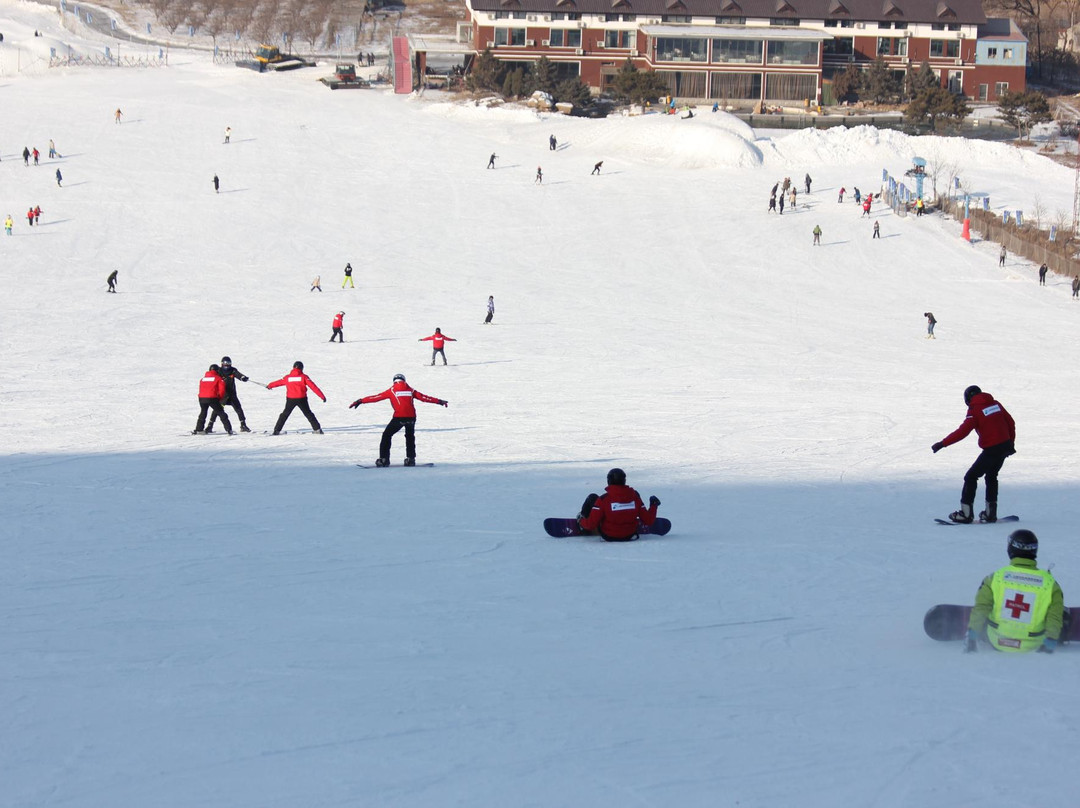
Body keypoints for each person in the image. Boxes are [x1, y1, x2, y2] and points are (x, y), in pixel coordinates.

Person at [964, 529, 1064, 654]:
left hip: (996, 640)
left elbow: (982, 607)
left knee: (988, 608)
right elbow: (1054, 617)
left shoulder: (996, 578)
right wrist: (1050, 641)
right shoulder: (1050, 584)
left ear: (1010, 549)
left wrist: (972, 635)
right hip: (1032, 644)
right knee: (1055, 609)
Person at [932, 385, 1016, 524]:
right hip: (1005, 446)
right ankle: (990, 513)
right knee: (991, 476)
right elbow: (1010, 422)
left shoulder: (975, 409)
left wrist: (942, 443)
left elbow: (963, 431)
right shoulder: (996, 404)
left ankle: (966, 514)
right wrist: (1010, 443)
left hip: (992, 449)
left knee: (971, 477)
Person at [349, 373, 447, 466]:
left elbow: (376, 397)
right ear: (404, 380)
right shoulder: (411, 390)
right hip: (412, 417)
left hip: (399, 417)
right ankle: (411, 459)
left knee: (387, 435)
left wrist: (360, 401)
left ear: (394, 381)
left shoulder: (392, 390)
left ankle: (384, 459)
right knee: (410, 437)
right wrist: (439, 401)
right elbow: (424, 397)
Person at [577, 468, 661, 542]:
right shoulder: (635, 497)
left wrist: (581, 522)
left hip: (609, 535)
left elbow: (591, 525)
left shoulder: (603, 499)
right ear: (624, 481)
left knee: (592, 497)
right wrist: (653, 506)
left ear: (609, 481)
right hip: (629, 535)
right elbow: (649, 521)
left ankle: (582, 521)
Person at [266, 361, 326, 435]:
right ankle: (317, 429)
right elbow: (313, 387)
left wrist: (269, 385)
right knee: (308, 414)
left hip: (290, 399)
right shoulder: (304, 377)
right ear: (301, 368)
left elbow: (279, 382)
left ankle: (276, 430)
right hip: (302, 399)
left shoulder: (288, 377)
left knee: (284, 414)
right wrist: (322, 396)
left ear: (293, 367)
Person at [206, 356, 252, 433]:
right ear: (222, 364)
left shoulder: (233, 370)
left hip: (232, 395)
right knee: (217, 410)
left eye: (228, 363)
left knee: (239, 409)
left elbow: (238, 375)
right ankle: (210, 426)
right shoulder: (219, 371)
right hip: (222, 396)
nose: (227, 365)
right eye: (225, 363)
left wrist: (243, 377)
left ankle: (243, 425)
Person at [192, 364, 234, 435]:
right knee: (221, 412)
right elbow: (222, 390)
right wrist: (219, 398)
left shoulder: (203, 379)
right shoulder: (218, 378)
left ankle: (198, 429)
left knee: (203, 413)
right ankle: (228, 429)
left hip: (202, 398)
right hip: (212, 398)